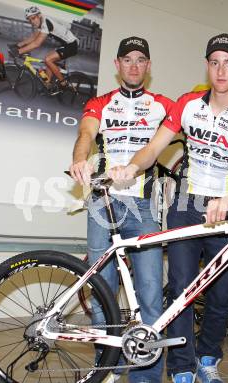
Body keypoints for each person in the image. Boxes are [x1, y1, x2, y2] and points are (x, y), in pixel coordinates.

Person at [108, 33, 228, 383]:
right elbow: (153, 150)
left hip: (226, 212)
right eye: (214, 62)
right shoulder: (186, 104)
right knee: (182, 290)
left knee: (219, 294)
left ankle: (208, 361)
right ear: (207, 66)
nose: (221, 70)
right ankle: (182, 367)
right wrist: (132, 168)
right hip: (185, 205)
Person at [69, 36, 173, 383]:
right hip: (103, 204)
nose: (133, 65)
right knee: (102, 293)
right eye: (126, 59)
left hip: (143, 206)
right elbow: (86, 132)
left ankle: (145, 377)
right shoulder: (101, 103)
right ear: (117, 65)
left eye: (140, 59)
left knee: (150, 293)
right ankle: (107, 369)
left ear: (148, 66)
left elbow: (197, 122)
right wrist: (79, 158)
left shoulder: (162, 104)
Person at [11, 6, 78, 89]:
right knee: (48, 59)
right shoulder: (42, 22)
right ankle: (48, 83)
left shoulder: (45, 23)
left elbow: (37, 43)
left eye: (33, 18)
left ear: (39, 15)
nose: (32, 21)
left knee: (48, 59)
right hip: (65, 44)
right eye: (29, 20)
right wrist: (18, 45)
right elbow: (33, 37)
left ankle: (63, 83)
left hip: (71, 45)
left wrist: (18, 51)